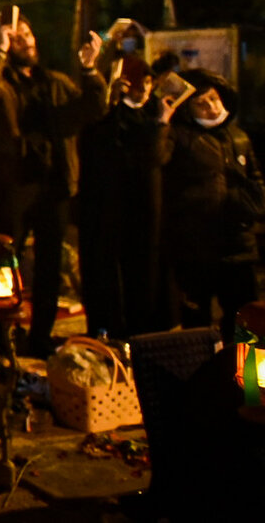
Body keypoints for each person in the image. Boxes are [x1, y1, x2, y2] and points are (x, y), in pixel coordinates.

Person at [0, 11, 106, 356]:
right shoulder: (0, 81)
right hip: (15, 182)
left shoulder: (55, 82)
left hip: (55, 183)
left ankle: (40, 337)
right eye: (16, 37)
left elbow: (93, 108)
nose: (26, 41)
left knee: (48, 266)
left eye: (28, 34)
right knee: (3, 259)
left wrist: (91, 70)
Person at [77, 56, 178, 337]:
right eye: (138, 83)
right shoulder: (111, 116)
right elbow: (104, 150)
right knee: (111, 275)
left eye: (148, 82)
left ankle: (144, 330)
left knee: (146, 272)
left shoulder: (157, 113)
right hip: (112, 207)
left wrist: (161, 126)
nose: (144, 89)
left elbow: (159, 156)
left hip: (148, 209)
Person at [161, 69, 265, 340]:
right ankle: (203, 378)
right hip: (196, 250)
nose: (210, 107)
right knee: (197, 326)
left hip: (238, 247)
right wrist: (161, 122)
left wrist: (253, 206)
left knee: (246, 324)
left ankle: (248, 381)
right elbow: (156, 159)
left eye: (214, 99)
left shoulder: (238, 137)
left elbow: (255, 179)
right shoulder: (179, 137)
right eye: (201, 102)